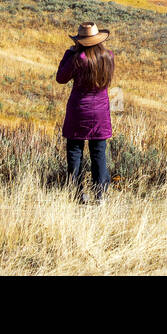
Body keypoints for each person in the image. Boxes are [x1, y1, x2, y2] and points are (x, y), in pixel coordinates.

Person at [56, 22, 115, 201]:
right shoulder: (108, 56)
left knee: (75, 150)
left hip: (79, 110)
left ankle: (76, 192)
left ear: (80, 41)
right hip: (100, 112)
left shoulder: (77, 58)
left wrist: (68, 54)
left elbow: (61, 78)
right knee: (99, 151)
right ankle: (101, 194)